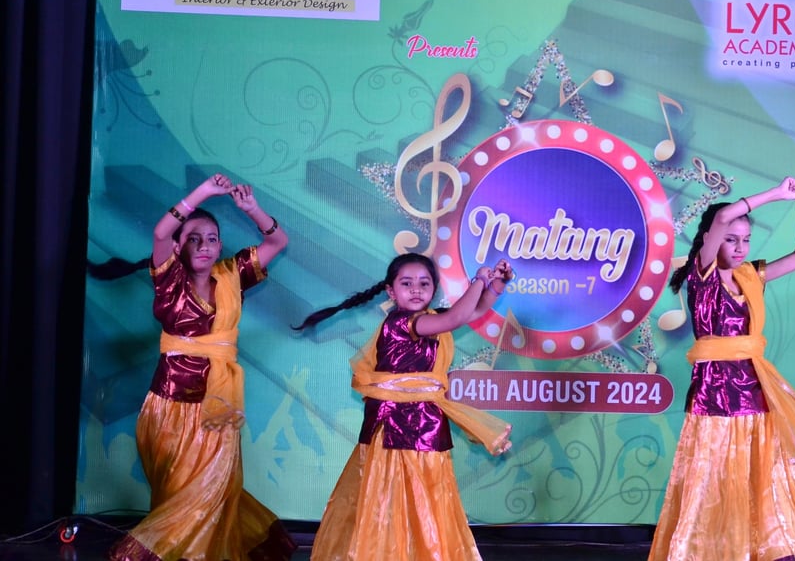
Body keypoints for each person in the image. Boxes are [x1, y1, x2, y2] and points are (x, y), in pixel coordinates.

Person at [108, 173, 296, 561]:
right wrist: (203, 193)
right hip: (170, 405)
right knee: (176, 495)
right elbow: (160, 232)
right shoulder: (169, 279)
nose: (204, 246)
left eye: (211, 239)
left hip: (218, 405)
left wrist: (252, 209)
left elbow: (277, 241)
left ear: (220, 246)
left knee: (212, 491)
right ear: (179, 246)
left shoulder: (231, 276)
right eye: (194, 238)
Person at [649, 177, 795, 561]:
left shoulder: (750, 276)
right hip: (713, 396)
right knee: (712, 481)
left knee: (760, 478)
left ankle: (764, 549)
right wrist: (777, 194)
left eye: (746, 240)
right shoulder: (702, 277)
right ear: (712, 240)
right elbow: (722, 218)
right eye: (731, 240)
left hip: (755, 391)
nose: (739, 248)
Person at [297, 253, 515, 561]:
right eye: (407, 283)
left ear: (434, 289)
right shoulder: (403, 323)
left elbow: (473, 311)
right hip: (394, 429)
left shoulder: (429, 320)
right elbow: (456, 318)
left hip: (425, 423)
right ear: (391, 291)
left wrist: (496, 285)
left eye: (424, 284)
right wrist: (479, 279)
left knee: (427, 498)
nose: (416, 289)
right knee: (392, 497)